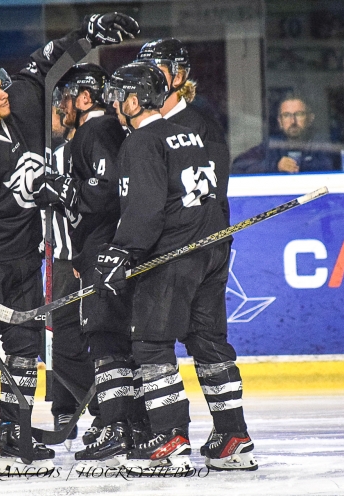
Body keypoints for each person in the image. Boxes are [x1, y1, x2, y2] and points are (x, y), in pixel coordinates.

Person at [0, 12, 140, 470]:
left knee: (27, 351)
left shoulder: (20, 104)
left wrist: (87, 34)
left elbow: (44, 63)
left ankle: (16, 429)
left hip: (28, 258)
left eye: (0, 86)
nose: (3, 92)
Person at [100, 61, 258, 472]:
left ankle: (169, 438)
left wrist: (123, 251)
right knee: (208, 341)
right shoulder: (196, 131)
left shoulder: (142, 141)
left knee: (151, 343)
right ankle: (232, 435)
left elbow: (146, 209)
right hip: (212, 249)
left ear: (134, 101)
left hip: (171, 256)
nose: (114, 105)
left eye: (118, 98)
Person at [34, 63, 146, 467]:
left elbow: (102, 193)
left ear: (83, 98)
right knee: (105, 339)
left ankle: (117, 424)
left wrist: (61, 188)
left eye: (64, 98)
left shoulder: (96, 131)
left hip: (103, 255)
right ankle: (126, 422)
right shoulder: (101, 132)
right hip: (99, 254)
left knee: (105, 339)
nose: (60, 108)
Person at [44, 106, 98, 451]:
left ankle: (110, 409)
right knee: (55, 341)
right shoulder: (50, 154)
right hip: (60, 260)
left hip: (87, 260)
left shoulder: (90, 151)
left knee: (94, 337)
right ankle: (66, 407)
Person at [136, 37, 231, 222]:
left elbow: (210, 202)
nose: (145, 79)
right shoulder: (136, 125)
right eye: (142, 71)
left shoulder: (203, 128)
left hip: (191, 244)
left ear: (178, 77)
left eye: (155, 71)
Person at [232, 95, 339, 175]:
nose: (293, 121)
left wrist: (298, 165)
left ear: (310, 119)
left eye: (299, 114)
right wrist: (275, 166)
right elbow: (238, 167)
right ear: (280, 121)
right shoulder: (271, 145)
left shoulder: (322, 144)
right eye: (286, 115)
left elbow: (330, 167)